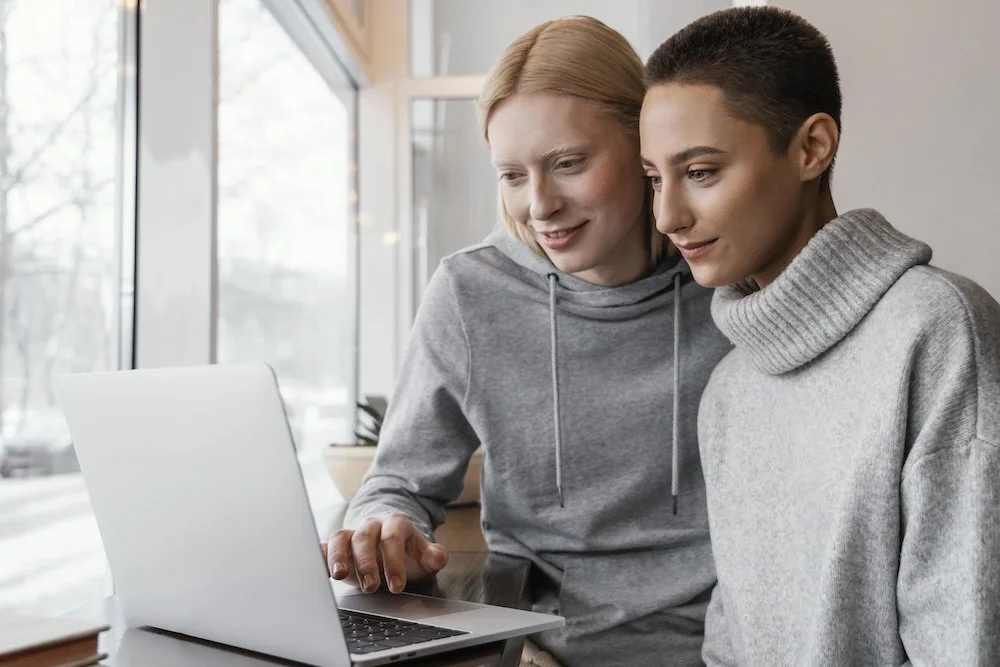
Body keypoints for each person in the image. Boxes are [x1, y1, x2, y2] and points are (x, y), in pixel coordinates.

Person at [325, 15, 732, 667]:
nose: (539, 204)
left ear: (642, 145)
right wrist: (386, 520)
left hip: (723, 647)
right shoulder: (470, 291)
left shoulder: (729, 279)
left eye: (567, 163)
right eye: (512, 175)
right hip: (542, 650)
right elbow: (397, 480)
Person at [640, 6, 1000, 665]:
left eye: (700, 172)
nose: (668, 213)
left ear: (811, 148)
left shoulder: (937, 329)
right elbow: (731, 640)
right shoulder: (730, 387)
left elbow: (965, 638)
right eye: (653, 177)